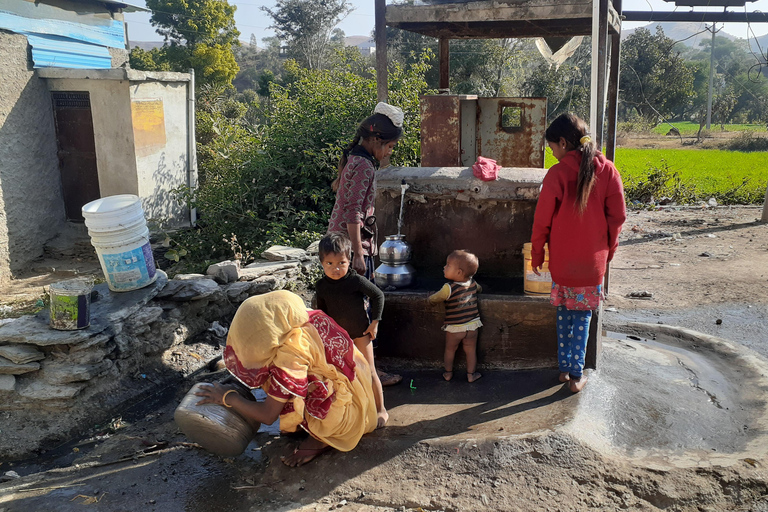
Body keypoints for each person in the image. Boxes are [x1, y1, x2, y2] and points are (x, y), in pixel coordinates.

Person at [195, 290, 377, 467]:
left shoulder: (291, 357)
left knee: (282, 383)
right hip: (357, 384)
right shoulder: (304, 317)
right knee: (282, 382)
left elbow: (267, 415)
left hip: (346, 412)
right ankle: (304, 421)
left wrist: (228, 398)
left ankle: (320, 440)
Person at [530, 113, 627, 393]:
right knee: (583, 316)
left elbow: (542, 222)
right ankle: (576, 375)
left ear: (562, 142)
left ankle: (565, 370)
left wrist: (537, 254)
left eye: (552, 148)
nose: (553, 154)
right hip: (592, 263)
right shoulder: (608, 170)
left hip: (563, 262)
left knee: (564, 313)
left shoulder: (557, 174)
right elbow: (617, 217)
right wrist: (609, 251)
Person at [328, 101, 404, 388]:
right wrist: (359, 253)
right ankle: (370, 374)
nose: (389, 152)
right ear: (375, 140)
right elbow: (352, 213)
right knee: (361, 313)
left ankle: (357, 369)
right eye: (389, 147)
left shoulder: (356, 160)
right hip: (350, 248)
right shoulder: (363, 166)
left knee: (350, 311)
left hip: (340, 247)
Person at [315, 233, 388, 428]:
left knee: (370, 370)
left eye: (341, 263)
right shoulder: (321, 287)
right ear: (322, 263)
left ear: (349, 261)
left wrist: (375, 322)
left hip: (361, 334)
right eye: (329, 264)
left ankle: (381, 409)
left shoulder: (355, 281)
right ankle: (352, 410)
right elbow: (321, 313)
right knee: (343, 374)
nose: (336, 269)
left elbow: (378, 295)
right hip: (338, 338)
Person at [428, 250, 483, 383]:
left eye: (448, 265)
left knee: (450, 350)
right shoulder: (473, 284)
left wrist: (430, 298)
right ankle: (471, 375)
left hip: (455, 327)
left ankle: (448, 373)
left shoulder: (449, 288)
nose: (444, 267)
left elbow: (436, 298)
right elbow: (480, 289)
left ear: (458, 272)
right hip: (473, 325)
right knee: (471, 351)